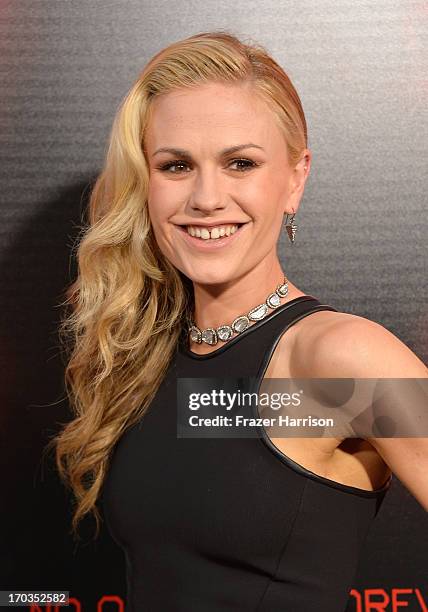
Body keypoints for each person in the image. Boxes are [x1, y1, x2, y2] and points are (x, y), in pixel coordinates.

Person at [51, 31, 428, 611]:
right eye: (175, 165)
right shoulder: (146, 355)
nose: (206, 197)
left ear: (295, 179)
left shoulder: (339, 359)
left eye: (241, 163)